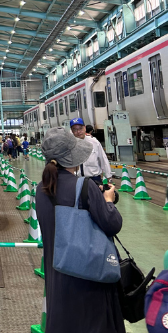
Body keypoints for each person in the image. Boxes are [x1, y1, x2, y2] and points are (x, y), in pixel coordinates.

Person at [36, 127, 124, 333]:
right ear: (71, 157)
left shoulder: (40, 189)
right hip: (88, 279)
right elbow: (113, 224)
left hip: (57, 277)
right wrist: (108, 201)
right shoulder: (85, 186)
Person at [70, 118, 112, 185]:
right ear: (72, 131)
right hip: (77, 180)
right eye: (75, 129)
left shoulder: (94, 142)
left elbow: (103, 159)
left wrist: (109, 177)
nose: (78, 132)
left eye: (80, 128)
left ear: (85, 128)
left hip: (94, 179)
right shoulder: (70, 145)